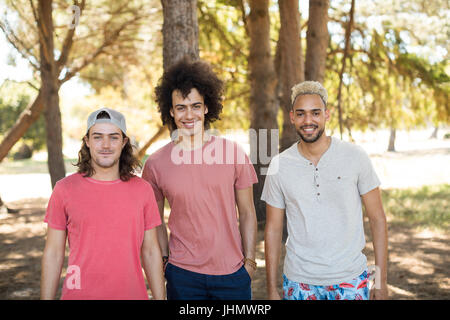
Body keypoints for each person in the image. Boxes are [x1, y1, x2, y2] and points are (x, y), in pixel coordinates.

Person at [142, 59, 258, 300]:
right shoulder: (156, 164)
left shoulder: (233, 153)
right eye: (181, 107)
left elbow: (247, 212)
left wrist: (249, 263)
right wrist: (165, 261)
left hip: (233, 274)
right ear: (171, 111)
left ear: (206, 108)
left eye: (196, 106)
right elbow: (154, 223)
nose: (189, 114)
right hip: (183, 275)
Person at [262, 81, 388, 300]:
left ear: (326, 115)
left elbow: (377, 219)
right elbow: (272, 229)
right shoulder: (279, 165)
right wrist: (271, 288)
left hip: (350, 279)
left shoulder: (355, 156)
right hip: (299, 282)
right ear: (292, 117)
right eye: (301, 114)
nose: (308, 120)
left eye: (315, 113)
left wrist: (381, 281)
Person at [41, 107, 165, 300]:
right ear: (87, 141)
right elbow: (54, 253)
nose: (105, 144)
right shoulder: (64, 189)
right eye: (98, 137)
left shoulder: (143, 190)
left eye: (113, 137)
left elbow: (150, 251)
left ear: (124, 142)